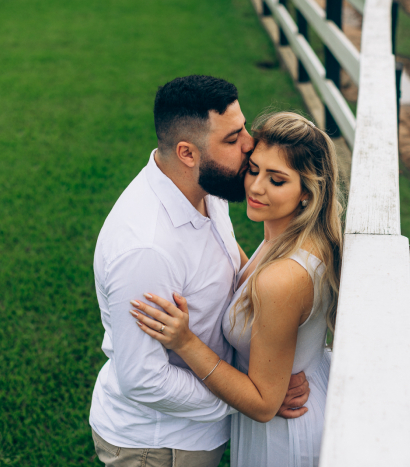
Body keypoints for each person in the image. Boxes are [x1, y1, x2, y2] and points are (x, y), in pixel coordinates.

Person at [88, 76, 310, 467]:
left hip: (197, 433)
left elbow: (236, 271)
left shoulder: (207, 188)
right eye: (232, 139)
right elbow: (145, 380)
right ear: (188, 153)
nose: (249, 145)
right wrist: (251, 398)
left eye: (243, 129)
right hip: (159, 447)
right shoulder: (147, 248)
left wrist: (266, 378)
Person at [133, 111, 343, 467]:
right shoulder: (295, 239)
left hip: (284, 435)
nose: (256, 187)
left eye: (277, 180)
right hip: (297, 404)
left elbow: (264, 404)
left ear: (308, 193)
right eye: (254, 169)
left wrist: (186, 343)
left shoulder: (282, 278)